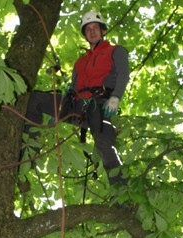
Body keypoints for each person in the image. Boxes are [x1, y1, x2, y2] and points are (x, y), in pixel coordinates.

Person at [26, 10, 129, 184]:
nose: (92, 31)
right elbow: (73, 88)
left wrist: (116, 97)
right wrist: (56, 112)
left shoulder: (115, 51)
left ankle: (123, 193)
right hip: (76, 105)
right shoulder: (80, 62)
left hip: (101, 105)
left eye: (96, 27)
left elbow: (123, 74)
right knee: (35, 99)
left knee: (105, 146)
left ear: (103, 30)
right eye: (88, 29)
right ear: (85, 35)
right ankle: (29, 154)